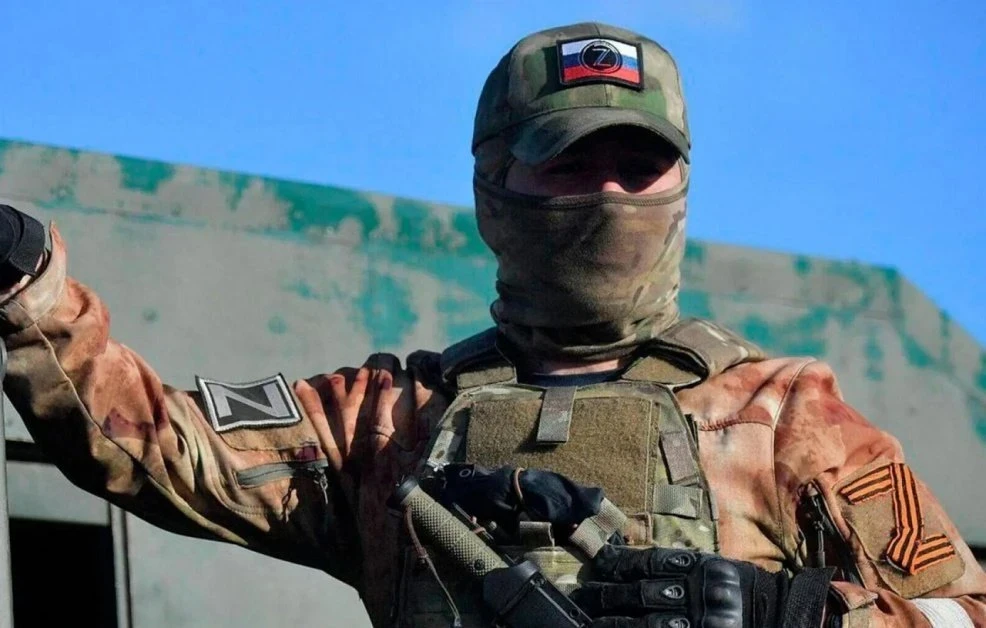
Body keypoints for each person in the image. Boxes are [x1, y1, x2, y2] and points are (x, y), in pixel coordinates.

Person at [0, 21, 983, 628]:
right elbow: (152, 444)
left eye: (636, 165)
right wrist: (29, 287)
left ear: (681, 183)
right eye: (570, 162)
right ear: (493, 185)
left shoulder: (786, 418)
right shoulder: (387, 422)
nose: (609, 194)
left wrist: (793, 614)